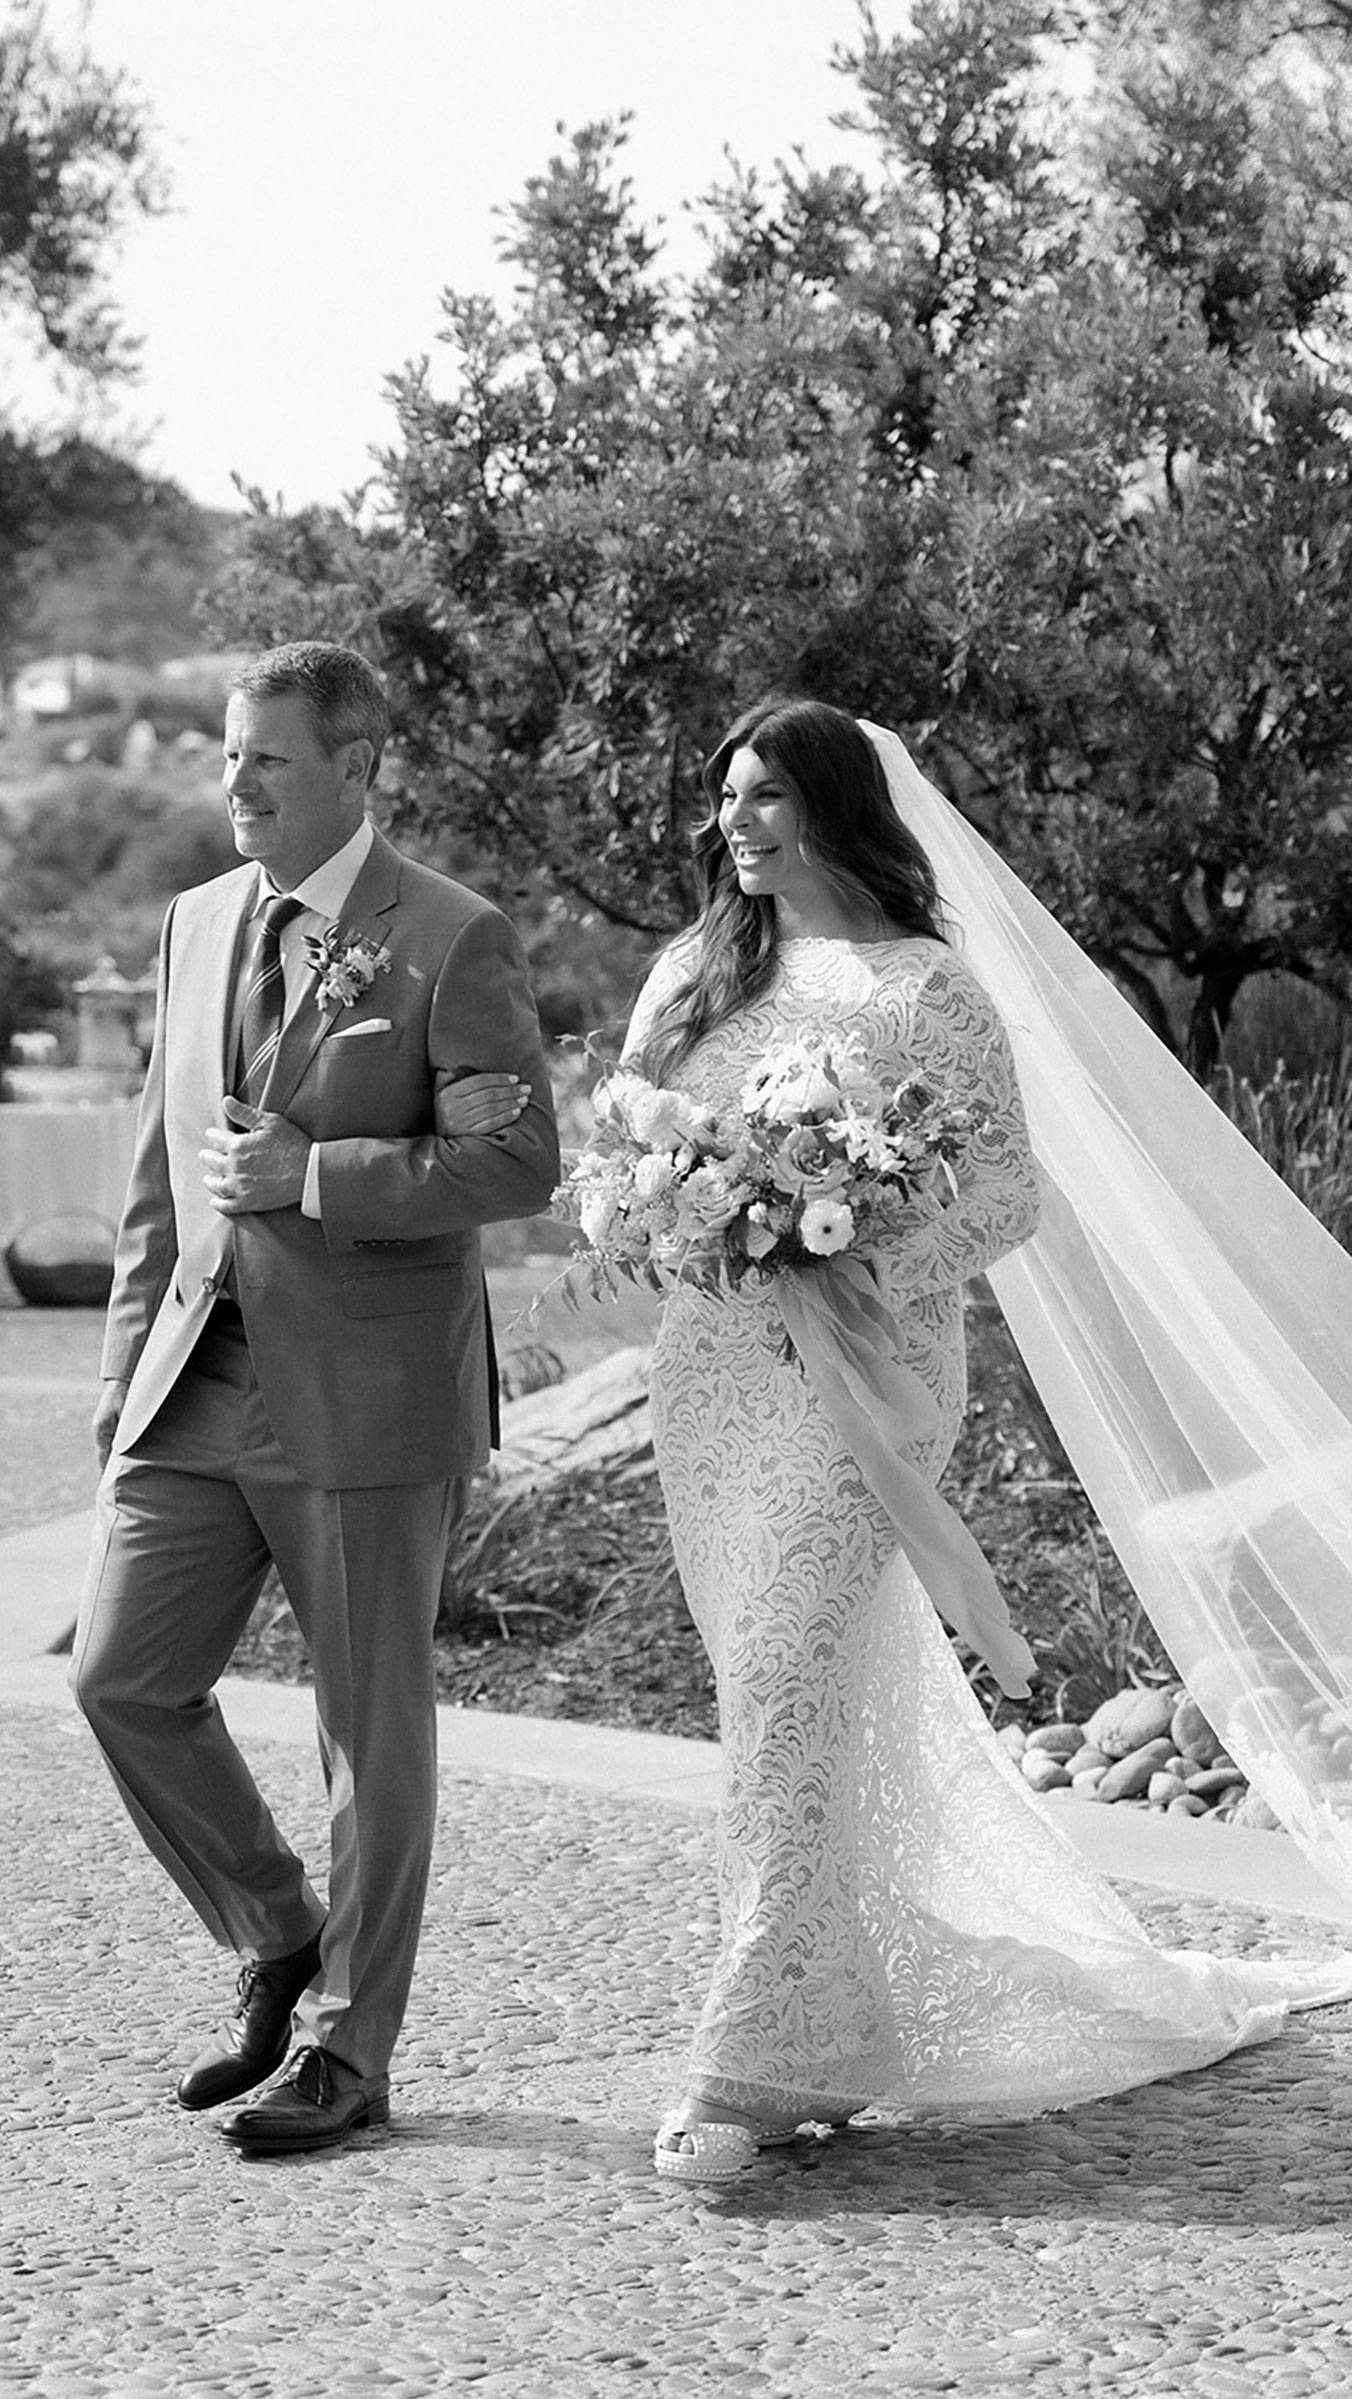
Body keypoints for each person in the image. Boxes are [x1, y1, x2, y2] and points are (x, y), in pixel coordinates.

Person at [457, 693, 1352, 2183]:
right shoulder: (690, 973)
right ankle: (832, 2016)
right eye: (724, 798)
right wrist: (683, 1213)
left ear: (831, 806)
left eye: (763, 797)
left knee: (795, 1671)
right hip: (716, 1381)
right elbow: (620, 1160)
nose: (734, 822)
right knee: (772, 1696)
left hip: (868, 1377)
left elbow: (1007, 1196)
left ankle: (750, 2055)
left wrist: (850, 1242)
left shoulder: (925, 988)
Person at [71, 639, 559, 2158]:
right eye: (227, 755)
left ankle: (353, 2050)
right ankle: (279, 1933)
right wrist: (119, 1374)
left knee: (370, 1728)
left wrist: (320, 1175)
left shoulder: (452, 939)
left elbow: (516, 1163)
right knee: (119, 1678)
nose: (237, 783)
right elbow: (161, 1172)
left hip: (366, 1393)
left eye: (268, 759)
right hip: (197, 1382)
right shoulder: (196, 920)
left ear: (357, 767)